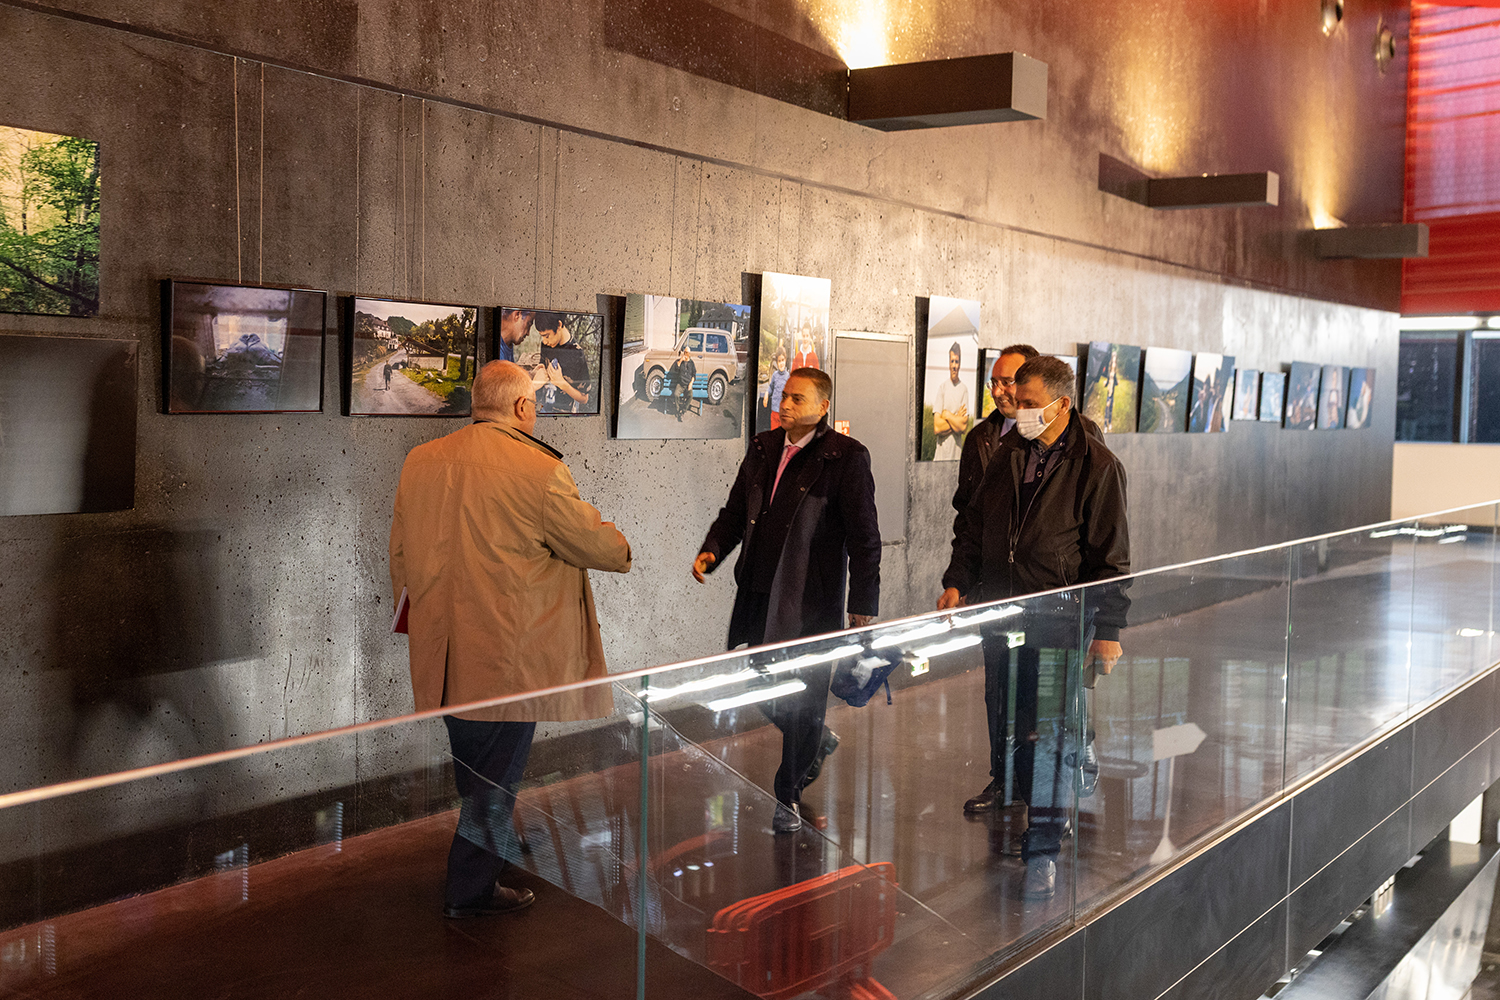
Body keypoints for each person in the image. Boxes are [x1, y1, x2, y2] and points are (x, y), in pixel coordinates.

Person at [389, 360, 632, 918]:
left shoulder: (420, 462)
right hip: (507, 657)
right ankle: (469, 891)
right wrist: (620, 541)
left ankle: (489, 845)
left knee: (475, 768)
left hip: (444, 652)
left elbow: (400, 552)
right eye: (536, 404)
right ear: (523, 407)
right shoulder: (538, 469)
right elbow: (600, 548)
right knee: (494, 780)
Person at [939, 355, 1129, 900]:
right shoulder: (1007, 455)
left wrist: (1109, 629)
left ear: (1061, 404)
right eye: (1015, 402)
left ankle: (1044, 841)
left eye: (1027, 404)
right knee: (1009, 721)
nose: (1017, 412)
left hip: (1060, 623)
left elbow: (1112, 559)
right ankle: (1030, 808)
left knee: (1048, 730)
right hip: (1003, 615)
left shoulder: (1098, 467)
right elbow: (974, 527)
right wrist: (958, 580)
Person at [692, 368, 881, 834]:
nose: (786, 404)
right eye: (783, 396)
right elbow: (736, 510)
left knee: (806, 693)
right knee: (763, 682)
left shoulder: (845, 458)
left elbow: (865, 538)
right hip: (758, 588)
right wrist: (713, 549)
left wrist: (864, 601)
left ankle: (788, 794)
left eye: (798, 398)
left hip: (809, 598)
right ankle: (814, 738)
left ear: (823, 408)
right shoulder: (762, 447)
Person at [952, 344, 1039, 520]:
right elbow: (966, 507)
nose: (996, 392)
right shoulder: (978, 438)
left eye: (1007, 382)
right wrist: (966, 546)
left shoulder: (1061, 438)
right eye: (993, 383)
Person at [534, 312, 591, 414]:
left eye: (546, 336)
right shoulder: (546, 344)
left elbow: (584, 399)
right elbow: (542, 366)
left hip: (563, 416)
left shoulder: (577, 354)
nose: (544, 341)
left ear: (559, 325)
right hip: (543, 408)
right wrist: (540, 370)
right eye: (542, 336)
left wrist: (561, 383)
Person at [932, 341, 970, 460]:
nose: (954, 365)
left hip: (956, 458)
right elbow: (937, 427)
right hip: (940, 457)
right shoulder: (942, 388)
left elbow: (963, 427)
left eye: (957, 361)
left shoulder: (964, 390)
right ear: (949, 363)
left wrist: (947, 415)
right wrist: (956, 418)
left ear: (960, 363)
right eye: (952, 361)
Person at [761, 350, 790, 430]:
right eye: (779, 361)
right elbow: (771, 387)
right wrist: (767, 393)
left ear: (785, 360)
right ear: (777, 363)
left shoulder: (788, 376)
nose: (781, 363)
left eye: (782, 360)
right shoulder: (775, 375)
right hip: (774, 411)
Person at [667, 346, 697, 420]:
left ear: (689, 353)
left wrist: (691, 383)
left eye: (687, 352)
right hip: (680, 384)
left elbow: (694, 374)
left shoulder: (691, 363)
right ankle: (677, 410)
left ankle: (683, 411)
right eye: (685, 352)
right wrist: (680, 361)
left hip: (688, 384)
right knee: (676, 394)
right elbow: (676, 370)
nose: (686, 354)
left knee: (690, 396)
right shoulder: (680, 361)